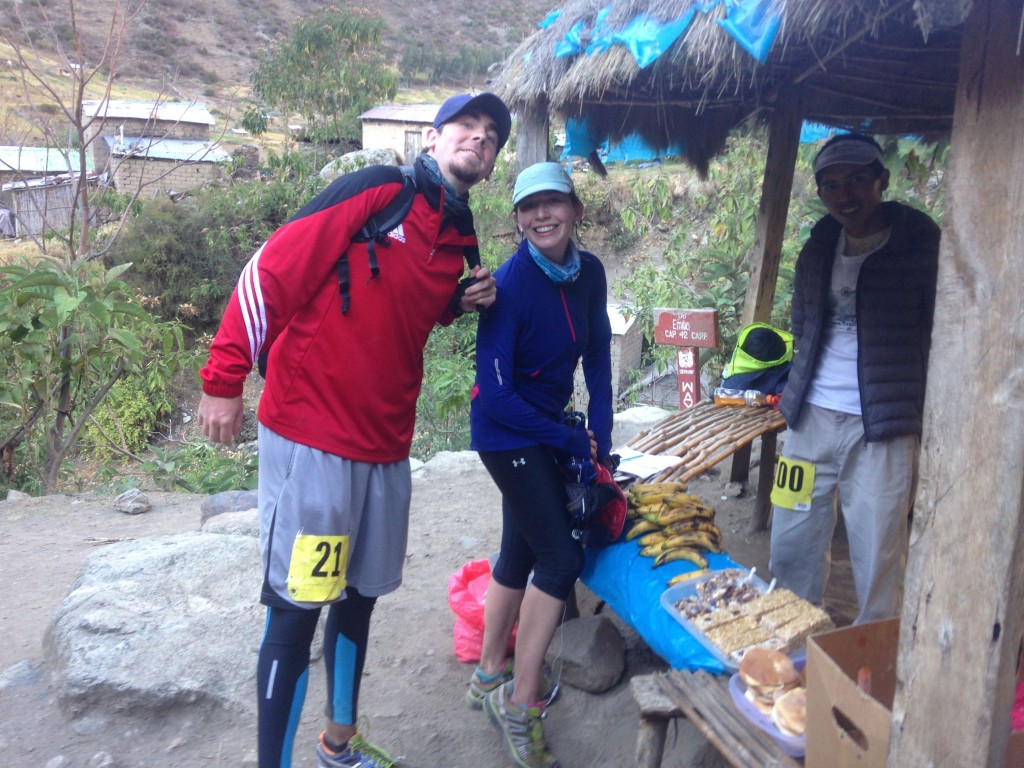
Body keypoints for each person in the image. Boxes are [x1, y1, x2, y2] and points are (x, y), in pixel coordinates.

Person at [197, 92, 511, 768]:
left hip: (386, 447)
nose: (479, 141)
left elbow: (405, 310)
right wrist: (223, 379)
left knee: (360, 598)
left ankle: (337, 744)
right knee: (299, 608)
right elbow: (272, 268)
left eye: (492, 137)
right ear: (433, 136)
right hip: (313, 438)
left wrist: (457, 302)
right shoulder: (380, 189)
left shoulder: (458, 236)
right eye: (467, 127)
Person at [467, 162, 613, 768]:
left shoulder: (590, 273)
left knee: (521, 551)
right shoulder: (510, 286)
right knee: (560, 557)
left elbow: (599, 357)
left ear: (577, 210)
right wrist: (566, 439)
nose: (542, 215)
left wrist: (599, 438)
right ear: (518, 220)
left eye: (553, 203)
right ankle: (522, 705)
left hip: (549, 429)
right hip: (506, 433)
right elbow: (495, 395)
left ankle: (487, 675)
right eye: (529, 207)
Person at [769, 133, 941, 625]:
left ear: (881, 181)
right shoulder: (818, 247)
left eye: (858, 180)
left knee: (879, 553)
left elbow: (943, 326)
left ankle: (872, 667)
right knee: (791, 539)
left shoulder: (919, 246)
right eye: (831, 185)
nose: (845, 194)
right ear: (821, 193)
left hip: (882, 430)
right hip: (808, 426)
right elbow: (803, 325)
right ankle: (791, 645)